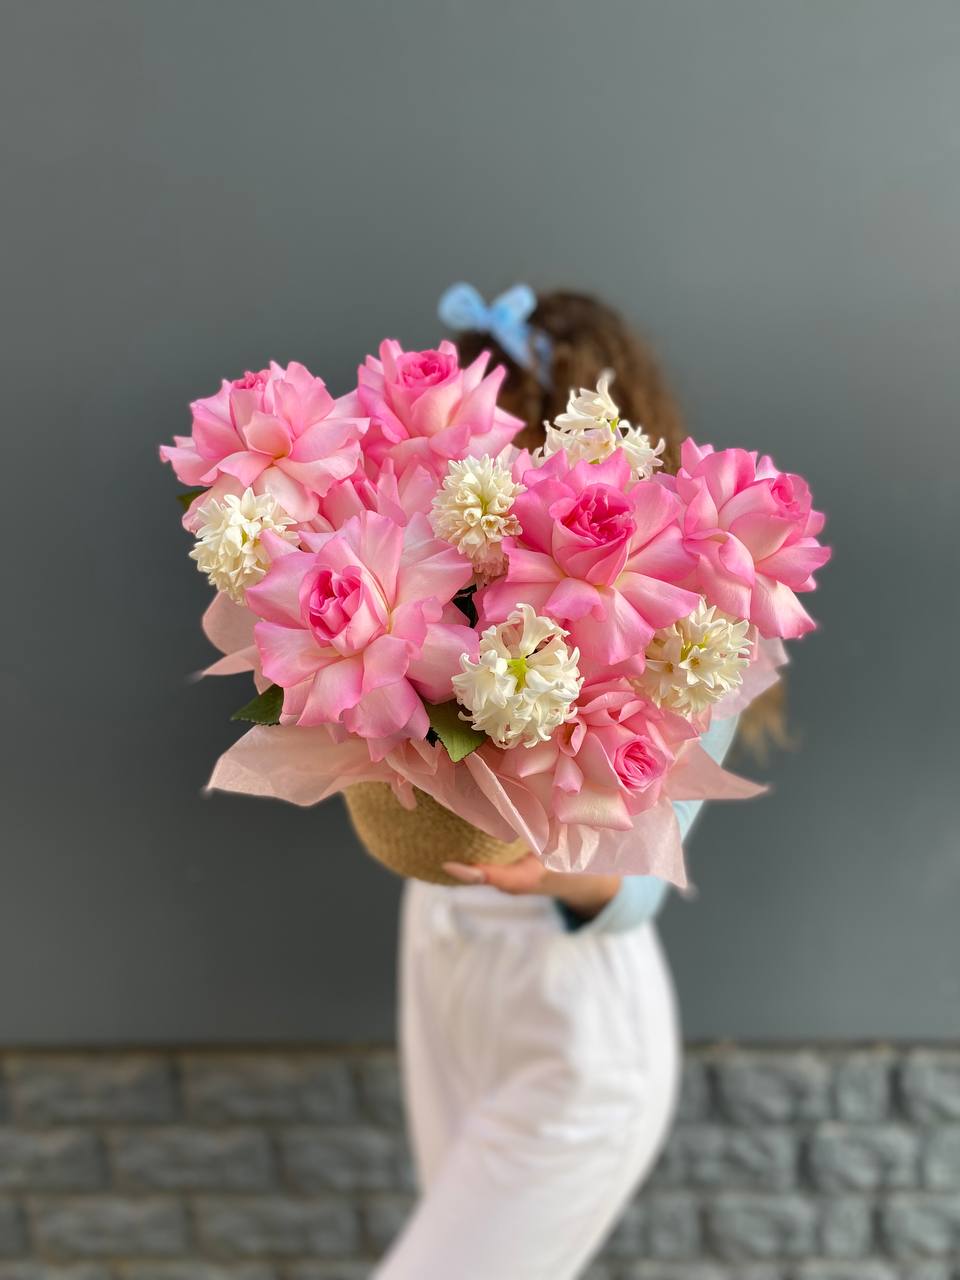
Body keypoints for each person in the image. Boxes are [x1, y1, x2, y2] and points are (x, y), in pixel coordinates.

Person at [375, 288, 775, 1280]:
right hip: (445, 964)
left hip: (573, 1016)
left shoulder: (684, 620)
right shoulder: (432, 560)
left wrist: (553, 873)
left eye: (516, 431)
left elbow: (639, 880)